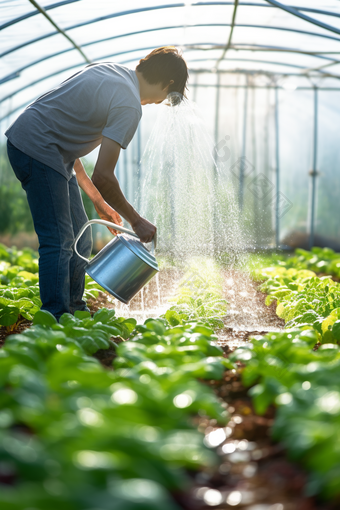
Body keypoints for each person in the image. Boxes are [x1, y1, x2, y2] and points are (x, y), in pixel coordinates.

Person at [5, 46, 188, 320]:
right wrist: (136, 221)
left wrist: (99, 202)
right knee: (59, 239)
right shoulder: (129, 104)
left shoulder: (112, 72)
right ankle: (54, 316)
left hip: (48, 149)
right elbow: (103, 174)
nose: (158, 102)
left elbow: (65, 141)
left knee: (81, 235)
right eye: (166, 97)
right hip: (36, 148)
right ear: (169, 83)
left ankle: (74, 309)